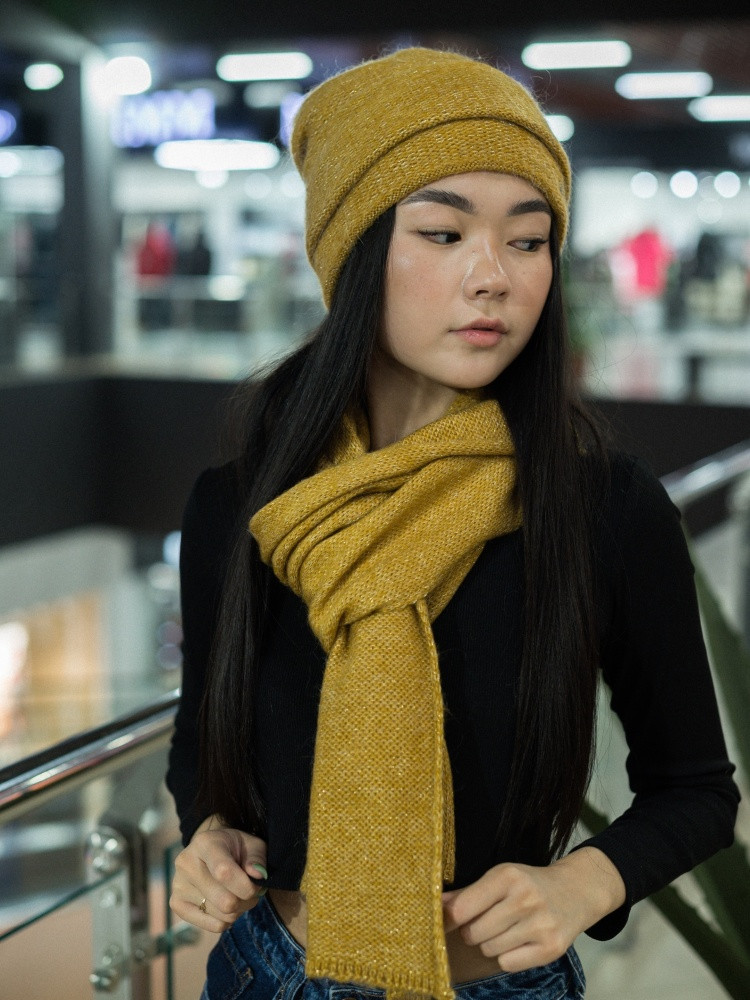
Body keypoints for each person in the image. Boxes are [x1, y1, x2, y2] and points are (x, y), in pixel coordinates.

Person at [166, 47, 739, 1000]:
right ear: (352, 252)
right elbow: (201, 743)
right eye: (442, 233)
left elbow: (697, 789)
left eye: (528, 240)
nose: (494, 277)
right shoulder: (244, 506)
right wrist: (207, 834)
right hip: (267, 973)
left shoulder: (602, 509)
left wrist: (582, 885)